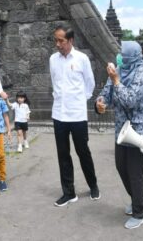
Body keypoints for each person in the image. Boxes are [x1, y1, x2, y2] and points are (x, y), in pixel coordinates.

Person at [96, 41, 143, 229]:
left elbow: (130, 100)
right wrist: (100, 103)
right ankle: (140, 197)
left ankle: (139, 213)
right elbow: (107, 93)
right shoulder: (119, 69)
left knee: (135, 173)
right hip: (122, 129)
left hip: (139, 130)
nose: (120, 56)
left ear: (133, 56)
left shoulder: (141, 72)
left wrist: (116, 80)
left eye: (123, 53)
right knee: (121, 167)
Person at [49, 24, 100, 207]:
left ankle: (93, 185)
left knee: (83, 152)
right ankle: (69, 192)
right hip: (59, 114)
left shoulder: (82, 58)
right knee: (63, 155)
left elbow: (90, 84)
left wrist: (79, 101)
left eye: (61, 40)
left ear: (70, 40)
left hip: (77, 115)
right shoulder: (53, 59)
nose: (57, 44)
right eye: (55, 40)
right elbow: (54, 82)